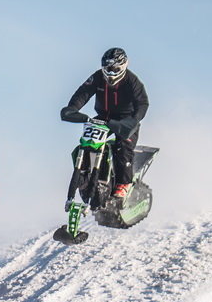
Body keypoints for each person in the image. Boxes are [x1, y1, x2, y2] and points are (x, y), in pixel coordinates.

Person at [60, 47, 149, 199]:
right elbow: (82, 93)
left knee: (123, 148)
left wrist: (134, 120)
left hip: (125, 120)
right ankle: (85, 173)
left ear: (123, 66)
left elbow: (142, 102)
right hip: (103, 117)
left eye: (115, 69)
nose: (111, 73)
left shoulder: (132, 81)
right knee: (87, 141)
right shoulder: (97, 77)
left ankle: (123, 183)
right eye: (108, 68)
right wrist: (72, 108)